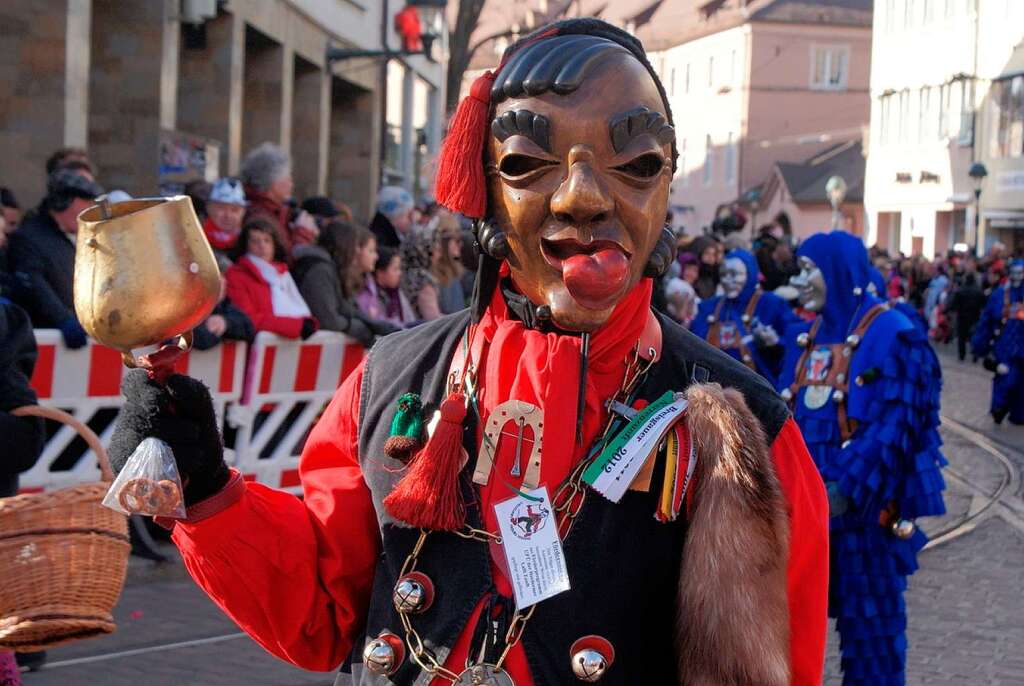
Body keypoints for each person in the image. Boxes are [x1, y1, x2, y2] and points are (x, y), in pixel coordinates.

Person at [107, 19, 828, 685]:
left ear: (668, 183)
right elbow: (323, 616)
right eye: (527, 164)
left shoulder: (749, 437)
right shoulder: (391, 380)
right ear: (483, 186)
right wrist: (206, 487)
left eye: (635, 163)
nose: (582, 198)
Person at [780, 231, 946, 686]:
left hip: (860, 522)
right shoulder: (804, 336)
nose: (800, 280)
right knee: (781, 635)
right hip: (802, 515)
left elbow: (899, 427)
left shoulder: (896, 335)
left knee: (871, 640)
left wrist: (844, 490)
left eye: (808, 270)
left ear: (836, 273)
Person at [7, 169, 103, 346]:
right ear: (65, 202)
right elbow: (34, 284)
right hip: (41, 341)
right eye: (86, 202)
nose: (90, 210)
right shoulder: (29, 238)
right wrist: (63, 319)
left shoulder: (66, 239)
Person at [691, 248, 797, 387]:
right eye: (723, 275)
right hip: (715, 392)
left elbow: (796, 342)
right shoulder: (709, 307)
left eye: (735, 274)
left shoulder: (771, 304)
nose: (728, 280)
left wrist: (775, 342)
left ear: (750, 273)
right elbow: (693, 345)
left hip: (757, 393)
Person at [293, 221, 399, 348]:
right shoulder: (320, 271)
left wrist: (371, 324)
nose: (356, 252)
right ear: (344, 245)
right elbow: (328, 319)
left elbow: (346, 308)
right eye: (354, 246)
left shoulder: (332, 269)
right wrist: (355, 327)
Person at [224, 217, 317, 340]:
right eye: (255, 241)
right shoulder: (236, 275)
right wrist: (297, 326)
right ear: (246, 245)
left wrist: (305, 324)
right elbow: (246, 318)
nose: (262, 246)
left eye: (267, 240)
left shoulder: (282, 274)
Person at [240, 143, 317, 258]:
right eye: (288, 179)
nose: (291, 185)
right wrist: (303, 233)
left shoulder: (275, 209)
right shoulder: (260, 215)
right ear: (272, 181)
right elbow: (281, 257)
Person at [971, 259, 1024, 424]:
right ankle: (999, 408)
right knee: (1006, 378)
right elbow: (986, 321)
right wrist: (980, 345)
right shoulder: (1000, 295)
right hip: (1004, 349)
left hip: (1020, 348)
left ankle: (1017, 413)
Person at [191, 272, 255, 351]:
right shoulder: (184, 309)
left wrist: (225, 323)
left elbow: (248, 327)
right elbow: (203, 340)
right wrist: (221, 334)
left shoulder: (223, 305)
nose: (221, 287)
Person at [356, 246, 416, 327]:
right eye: (395, 269)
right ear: (380, 273)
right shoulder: (370, 294)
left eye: (400, 269)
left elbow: (409, 319)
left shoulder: (396, 293)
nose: (400, 273)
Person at [400, 227, 443, 321]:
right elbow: (433, 319)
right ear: (425, 252)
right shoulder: (423, 281)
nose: (439, 255)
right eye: (437, 250)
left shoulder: (402, 274)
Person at [202, 178, 247, 263]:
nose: (228, 215)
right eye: (221, 208)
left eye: (235, 210)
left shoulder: (250, 241)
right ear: (209, 208)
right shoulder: (195, 236)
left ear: (243, 212)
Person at [945, 270, 986, 361]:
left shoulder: (961, 290)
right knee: (973, 335)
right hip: (975, 316)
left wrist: (948, 310)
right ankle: (975, 354)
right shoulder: (979, 291)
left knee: (962, 337)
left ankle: (962, 355)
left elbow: (953, 304)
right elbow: (984, 304)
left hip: (962, 316)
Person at [430, 212, 467, 314]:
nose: (460, 244)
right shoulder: (437, 276)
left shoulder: (454, 270)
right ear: (443, 242)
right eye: (456, 240)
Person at [687, 234, 721, 299]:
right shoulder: (689, 273)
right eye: (707, 253)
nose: (710, 258)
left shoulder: (715, 276)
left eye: (713, 254)